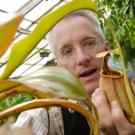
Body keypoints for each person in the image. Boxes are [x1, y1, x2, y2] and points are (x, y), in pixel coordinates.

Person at [12, 10, 135, 135]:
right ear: (59, 68)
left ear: (107, 50)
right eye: (67, 51)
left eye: (89, 43)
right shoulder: (49, 116)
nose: (82, 58)